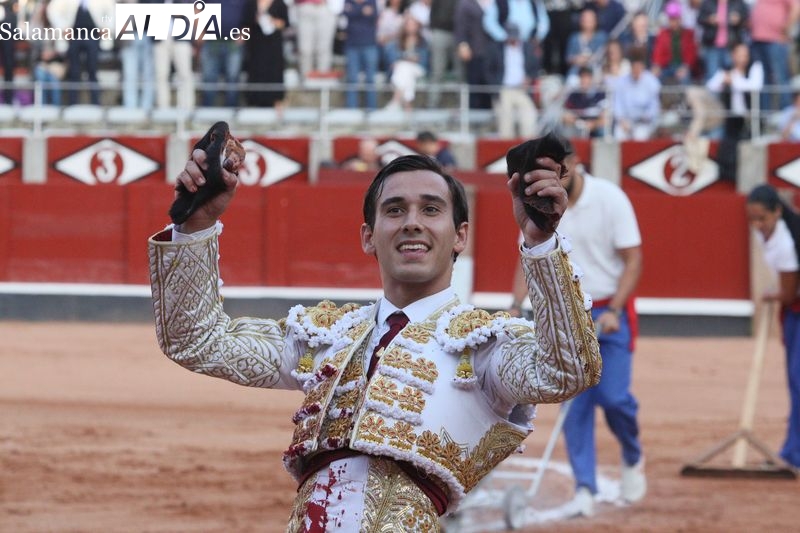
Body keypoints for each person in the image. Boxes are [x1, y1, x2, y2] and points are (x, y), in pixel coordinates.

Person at [148, 139, 601, 526]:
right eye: (395, 209)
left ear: (460, 236)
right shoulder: (328, 336)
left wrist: (541, 242)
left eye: (431, 209)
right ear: (368, 236)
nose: (412, 222)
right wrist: (196, 224)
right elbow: (197, 340)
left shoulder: (482, 347)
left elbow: (569, 370)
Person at [509, 138, 644, 517]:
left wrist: (615, 308)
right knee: (575, 404)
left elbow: (633, 260)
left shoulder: (610, 198)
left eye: (556, 167)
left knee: (615, 399)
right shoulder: (541, 202)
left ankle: (632, 455)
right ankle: (585, 485)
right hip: (569, 311)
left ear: (575, 163)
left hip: (609, 310)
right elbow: (527, 255)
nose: (551, 176)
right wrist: (515, 305)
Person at [745, 184, 800, 470]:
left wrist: (773, 295)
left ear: (777, 212)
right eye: (752, 219)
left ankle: (794, 453)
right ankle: (793, 452)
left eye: (762, 219)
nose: (757, 225)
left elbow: (789, 294)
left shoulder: (788, 241)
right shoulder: (777, 234)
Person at [46, 0, 115, 105]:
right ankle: (73, 103)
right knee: (74, 72)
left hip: (93, 36)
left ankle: (95, 103)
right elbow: (53, 10)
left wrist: (105, 25)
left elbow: (111, 12)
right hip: (74, 37)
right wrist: (62, 27)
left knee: (92, 71)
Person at [243, 0, 289, 108]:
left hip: (273, 47)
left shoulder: (280, 3)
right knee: (256, 72)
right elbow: (246, 23)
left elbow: (285, 23)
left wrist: (271, 21)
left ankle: (275, 102)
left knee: (273, 73)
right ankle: (253, 103)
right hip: (256, 46)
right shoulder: (251, 3)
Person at [611, 48, 661, 141]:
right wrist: (622, 120)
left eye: (638, 67)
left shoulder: (651, 82)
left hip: (644, 122)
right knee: (619, 134)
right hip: (626, 121)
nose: (636, 71)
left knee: (640, 136)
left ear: (642, 67)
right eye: (634, 68)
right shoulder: (622, 82)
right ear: (631, 67)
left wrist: (646, 117)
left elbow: (654, 105)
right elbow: (617, 104)